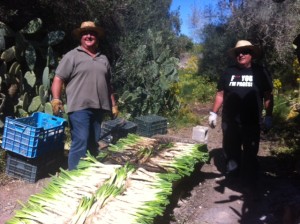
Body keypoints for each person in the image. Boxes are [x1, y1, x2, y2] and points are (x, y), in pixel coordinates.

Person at [51, 21, 119, 170]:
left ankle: (89, 172)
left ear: (97, 37)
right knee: (80, 140)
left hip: (99, 107)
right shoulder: (72, 56)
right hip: (79, 107)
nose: (89, 36)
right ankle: (73, 175)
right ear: (81, 38)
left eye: (92, 33)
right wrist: (56, 99)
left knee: (93, 141)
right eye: (85, 33)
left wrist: (113, 104)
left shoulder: (103, 59)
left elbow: (108, 85)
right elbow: (58, 78)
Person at [208, 40, 273, 185]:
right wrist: (213, 113)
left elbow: (268, 96)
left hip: (251, 121)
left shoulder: (260, 72)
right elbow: (220, 94)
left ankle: (250, 179)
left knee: (250, 150)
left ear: (252, 54)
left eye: (245, 52)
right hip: (230, 120)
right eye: (238, 52)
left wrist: (268, 116)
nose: (241, 54)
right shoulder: (228, 72)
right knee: (231, 149)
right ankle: (232, 175)